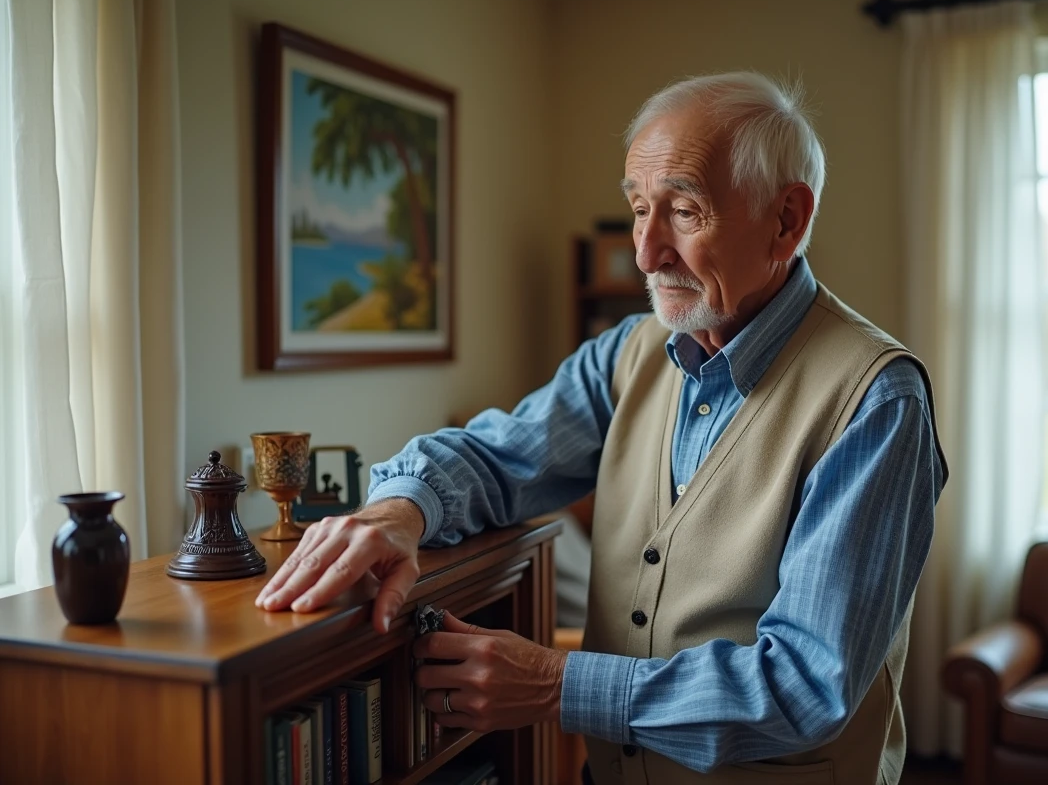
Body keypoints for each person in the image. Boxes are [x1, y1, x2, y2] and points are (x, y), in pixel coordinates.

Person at [256, 72, 948, 785]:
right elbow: (498, 455)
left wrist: (558, 684)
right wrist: (400, 509)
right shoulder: (627, 352)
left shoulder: (878, 400)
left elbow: (805, 685)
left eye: (683, 210)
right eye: (639, 208)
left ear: (786, 221)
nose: (647, 253)